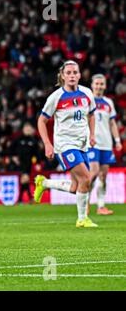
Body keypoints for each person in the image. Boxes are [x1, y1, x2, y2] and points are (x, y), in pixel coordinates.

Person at [34, 60, 98, 228]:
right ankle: (82, 219)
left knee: (76, 186)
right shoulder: (56, 97)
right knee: (86, 178)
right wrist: (48, 144)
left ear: (79, 75)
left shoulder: (87, 93)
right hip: (65, 144)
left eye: (75, 72)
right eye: (68, 73)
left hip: (82, 144)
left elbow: (91, 115)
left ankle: (44, 183)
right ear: (62, 76)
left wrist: (92, 134)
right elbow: (41, 120)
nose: (72, 76)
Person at [87, 74, 122, 215]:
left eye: (102, 84)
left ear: (105, 86)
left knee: (103, 176)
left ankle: (101, 206)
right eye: (97, 83)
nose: (99, 86)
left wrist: (117, 140)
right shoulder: (87, 101)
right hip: (92, 143)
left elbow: (112, 123)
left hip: (107, 144)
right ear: (92, 85)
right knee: (93, 173)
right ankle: (85, 201)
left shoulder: (108, 103)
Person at [11, 122, 41, 204]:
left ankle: (21, 199)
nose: (27, 130)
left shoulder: (33, 140)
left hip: (29, 163)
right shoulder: (19, 139)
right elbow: (11, 148)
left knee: (24, 180)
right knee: (25, 179)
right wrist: (13, 157)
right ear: (23, 129)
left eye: (29, 128)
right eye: (26, 128)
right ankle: (29, 198)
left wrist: (38, 162)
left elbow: (37, 152)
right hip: (20, 163)